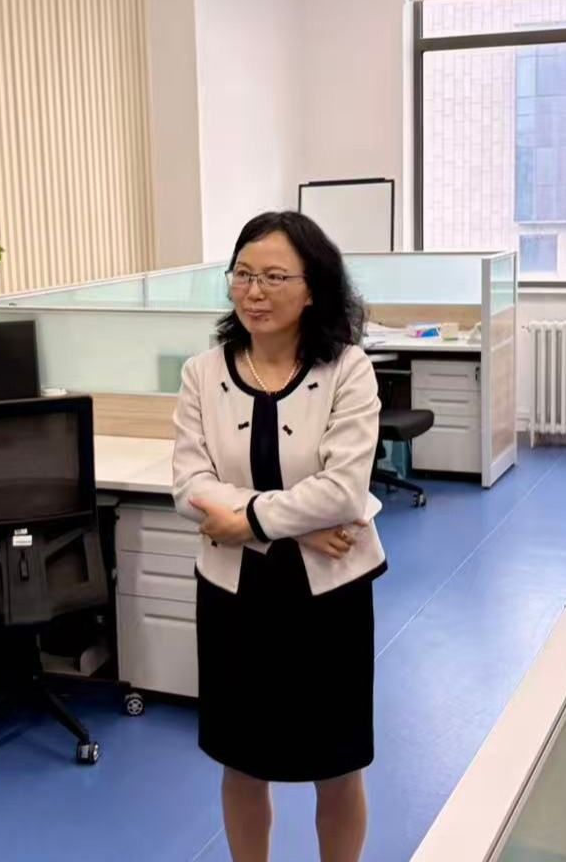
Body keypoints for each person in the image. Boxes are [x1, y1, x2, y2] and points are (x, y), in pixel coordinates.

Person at [172, 211, 385, 862]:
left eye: (273, 277)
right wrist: (290, 528)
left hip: (329, 598)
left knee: (337, 764)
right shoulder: (202, 372)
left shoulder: (348, 369)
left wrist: (248, 518)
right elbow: (189, 485)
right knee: (242, 761)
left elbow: (343, 491)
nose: (254, 292)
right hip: (235, 595)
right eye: (242, 275)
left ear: (312, 287)